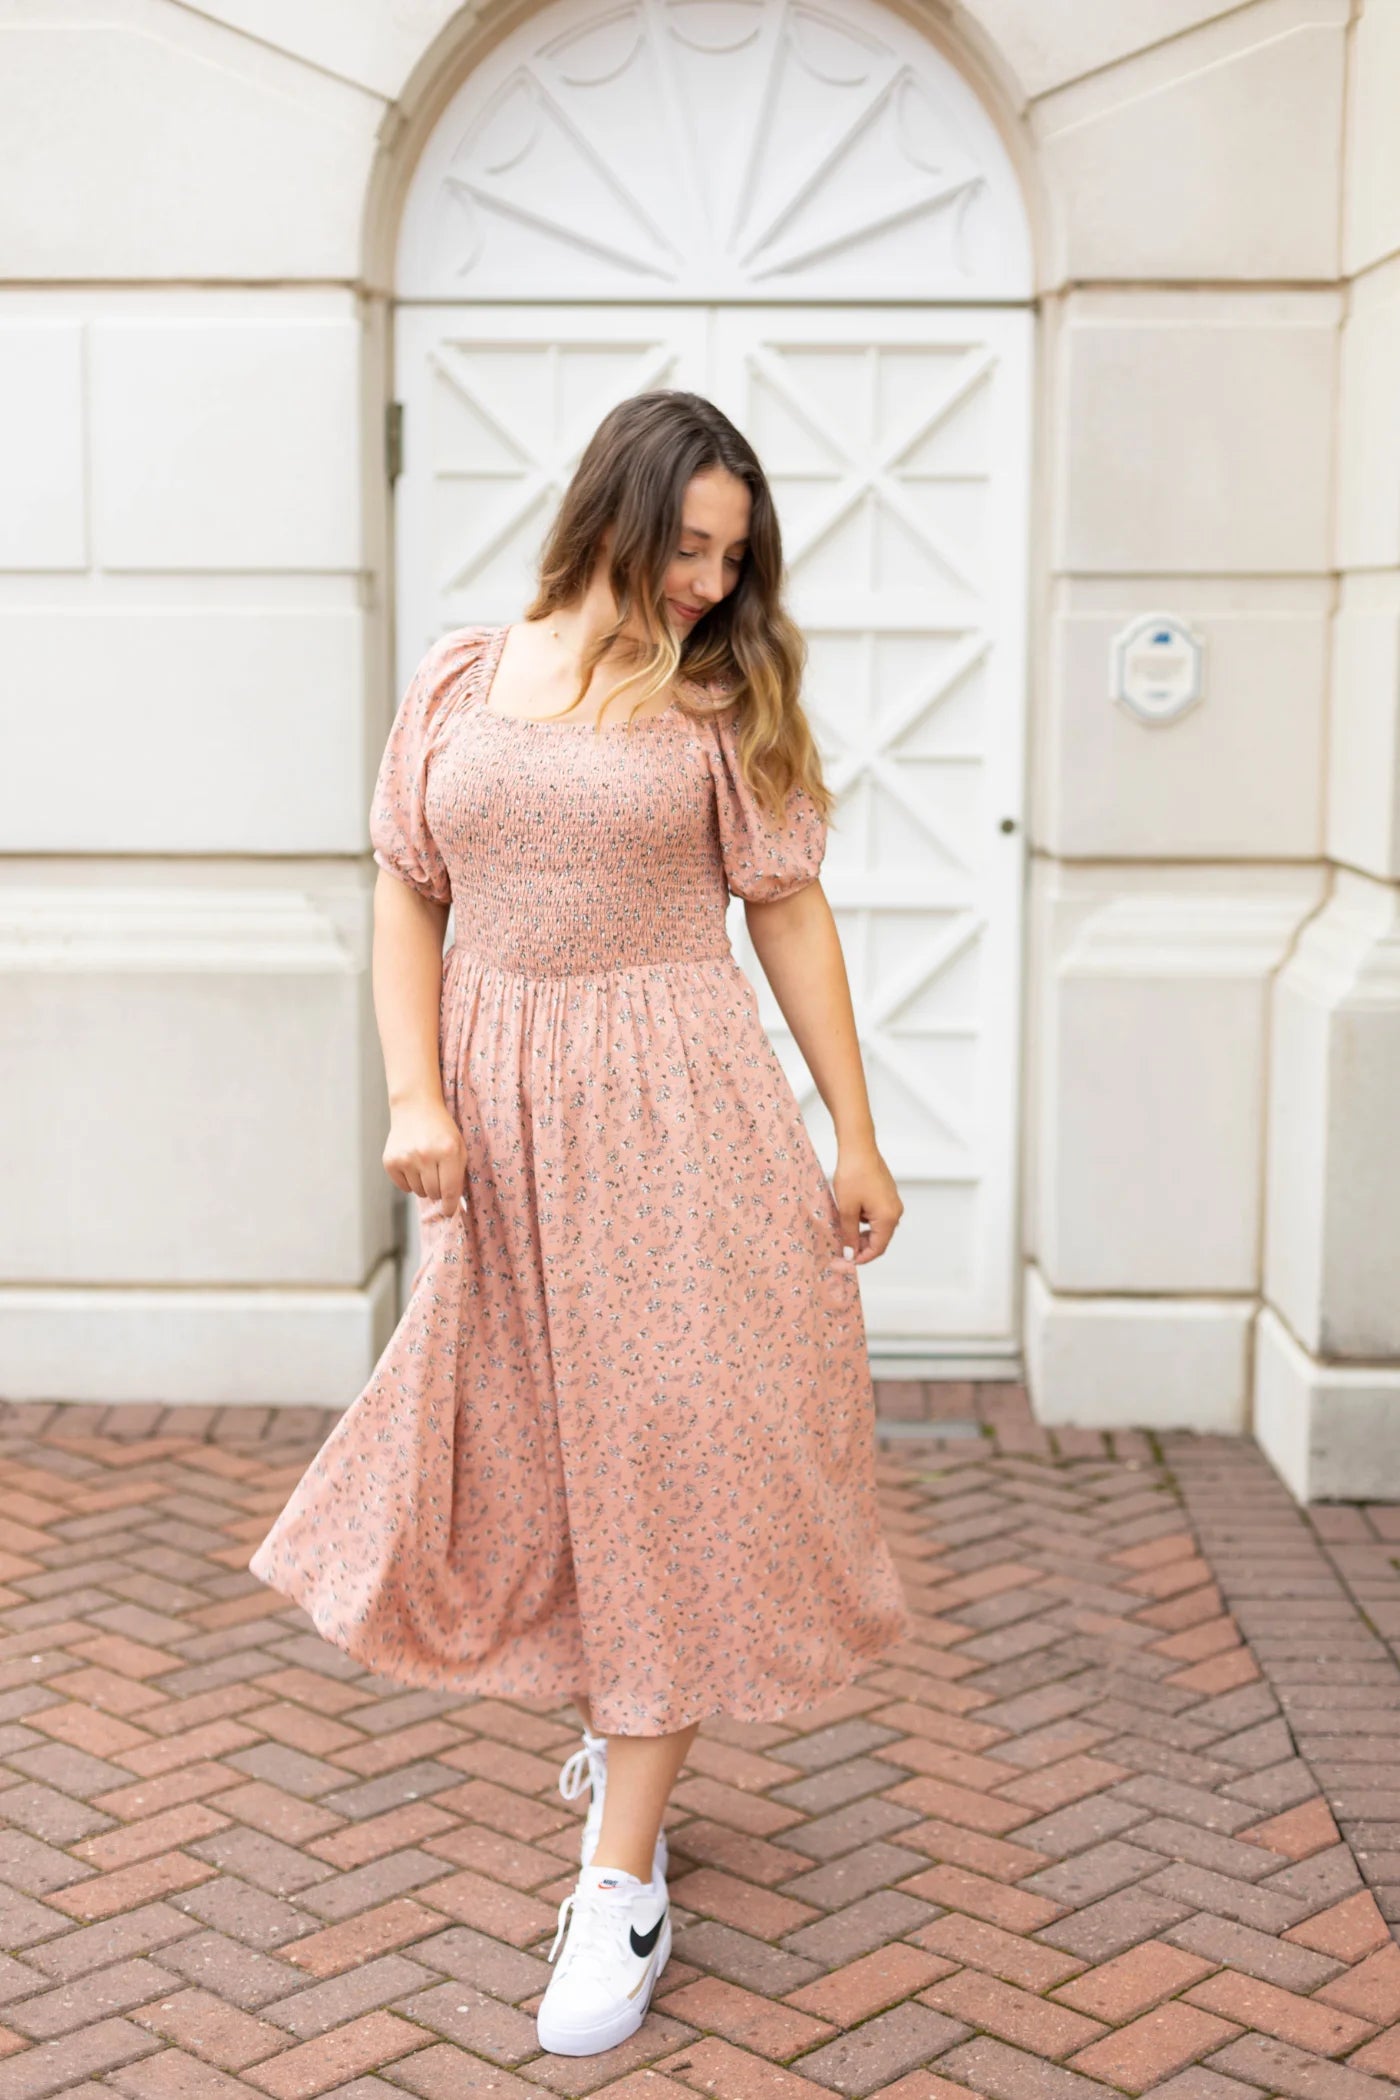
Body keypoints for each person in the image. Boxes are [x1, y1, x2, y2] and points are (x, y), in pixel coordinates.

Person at [248, 389, 911, 2058]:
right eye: (685, 544)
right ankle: (632, 1727)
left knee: (677, 1450)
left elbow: (793, 915)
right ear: (607, 511)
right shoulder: (463, 678)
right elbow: (410, 881)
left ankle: (624, 1871)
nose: (706, 582)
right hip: (499, 1122)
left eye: (732, 556)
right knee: (539, 1448)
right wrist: (416, 1094)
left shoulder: (716, 699)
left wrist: (856, 1126)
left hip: (678, 1113)